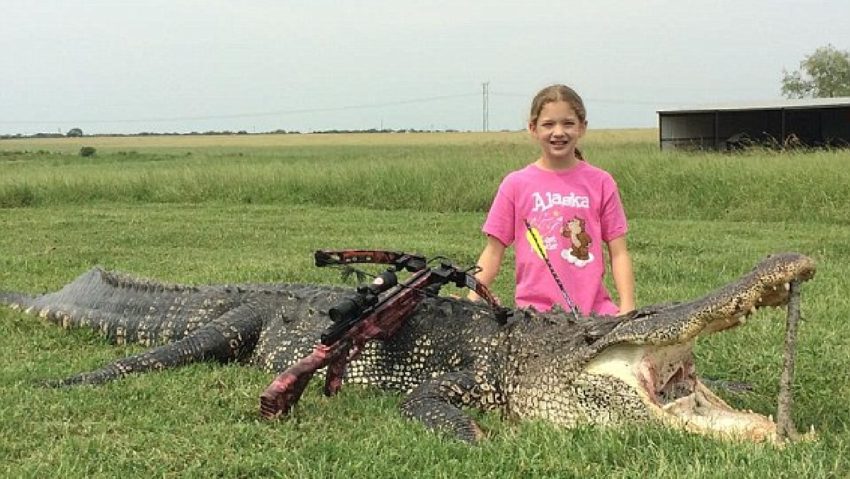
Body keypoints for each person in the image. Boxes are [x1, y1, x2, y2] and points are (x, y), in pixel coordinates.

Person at [468, 84, 635, 316]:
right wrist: (472, 297)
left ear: (582, 128)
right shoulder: (515, 184)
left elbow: (619, 252)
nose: (558, 132)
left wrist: (627, 305)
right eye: (548, 124)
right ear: (533, 128)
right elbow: (493, 252)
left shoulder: (601, 182)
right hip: (535, 317)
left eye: (568, 123)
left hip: (595, 314)